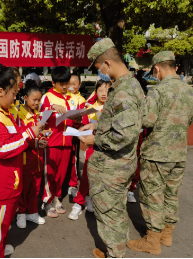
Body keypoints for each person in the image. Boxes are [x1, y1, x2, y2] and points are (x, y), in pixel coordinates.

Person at [79, 38, 145, 258]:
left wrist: (94, 140)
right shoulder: (128, 84)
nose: (100, 74)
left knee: (110, 212)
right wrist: (97, 124)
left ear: (107, 63)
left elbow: (124, 134)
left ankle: (115, 253)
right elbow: (121, 121)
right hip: (118, 164)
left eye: (99, 68)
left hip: (112, 167)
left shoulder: (124, 91)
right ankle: (114, 249)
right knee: (115, 209)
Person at [127, 51, 193, 255]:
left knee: (152, 195)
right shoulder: (189, 91)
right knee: (171, 194)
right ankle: (167, 234)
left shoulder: (158, 91)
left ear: (156, 68)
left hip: (157, 153)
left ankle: (152, 240)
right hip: (179, 153)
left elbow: (147, 120)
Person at [0, 63, 43, 257]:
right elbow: (1, 148)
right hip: (1, 180)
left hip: (6, 178)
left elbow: (11, 135)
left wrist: (29, 136)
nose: (16, 98)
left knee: (1, 222)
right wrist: (29, 133)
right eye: (14, 93)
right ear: (1, 91)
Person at [39, 66, 80, 218]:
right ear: (53, 82)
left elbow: (73, 118)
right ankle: (47, 201)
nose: (64, 86)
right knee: (49, 173)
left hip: (67, 140)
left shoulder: (71, 97)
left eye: (66, 83)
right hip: (52, 141)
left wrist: (77, 118)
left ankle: (56, 197)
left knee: (61, 174)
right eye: (61, 84)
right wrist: (52, 107)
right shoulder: (47, 97)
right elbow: (40, 117)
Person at [68, 80, 111, 220]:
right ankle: (79, 203)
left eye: (107, 90)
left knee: (104, 178)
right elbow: (82, 126)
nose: (104, 94)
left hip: (110, 149)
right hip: (92, 147)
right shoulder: (89, 107)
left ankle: (92, 199)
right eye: (101, 90)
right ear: (96, 91)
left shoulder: (116, 108)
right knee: (86, 174)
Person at [16, 84, 47, 228]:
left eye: (39, 100)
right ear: (25, 98)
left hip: (38, 159)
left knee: (36, 188)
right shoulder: (19, 116)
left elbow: (38, 133)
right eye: (34, 100)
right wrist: (35, 143)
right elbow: (20, 139)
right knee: (24, 188)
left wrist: (45, 134)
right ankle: (21, 213)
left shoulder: (38, 114)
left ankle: (32, 212)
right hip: (25, 160)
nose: (37, 103)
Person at [67, 73, 87, 197]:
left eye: (74, 84)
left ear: (79, 85)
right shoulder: (64, 97)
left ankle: (73, 183)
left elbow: (83, 118)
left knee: (73, 160)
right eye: (69, 83)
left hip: (74, 133)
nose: (71, 86)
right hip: (62, 133)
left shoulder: (82, 100)